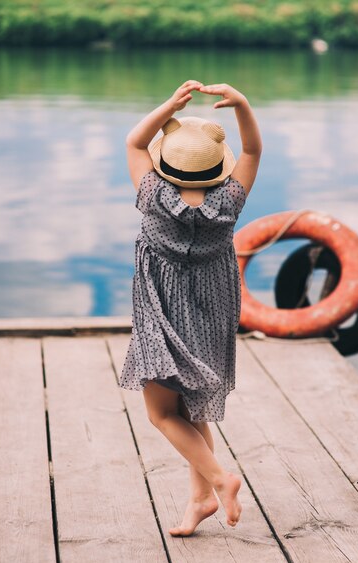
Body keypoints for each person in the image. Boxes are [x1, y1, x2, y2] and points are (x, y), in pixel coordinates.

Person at [119, 80, 262, 536]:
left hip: (162, 317)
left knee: (162, 413)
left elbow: (134, 141)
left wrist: (170, 105)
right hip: (213, 312)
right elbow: (253, 150)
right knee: (195, 408)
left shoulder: (152, 198)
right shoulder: (228, 203)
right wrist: (240, 104)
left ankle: (221, 479)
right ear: (218, 168)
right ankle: (200, 498)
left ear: (165, 165)